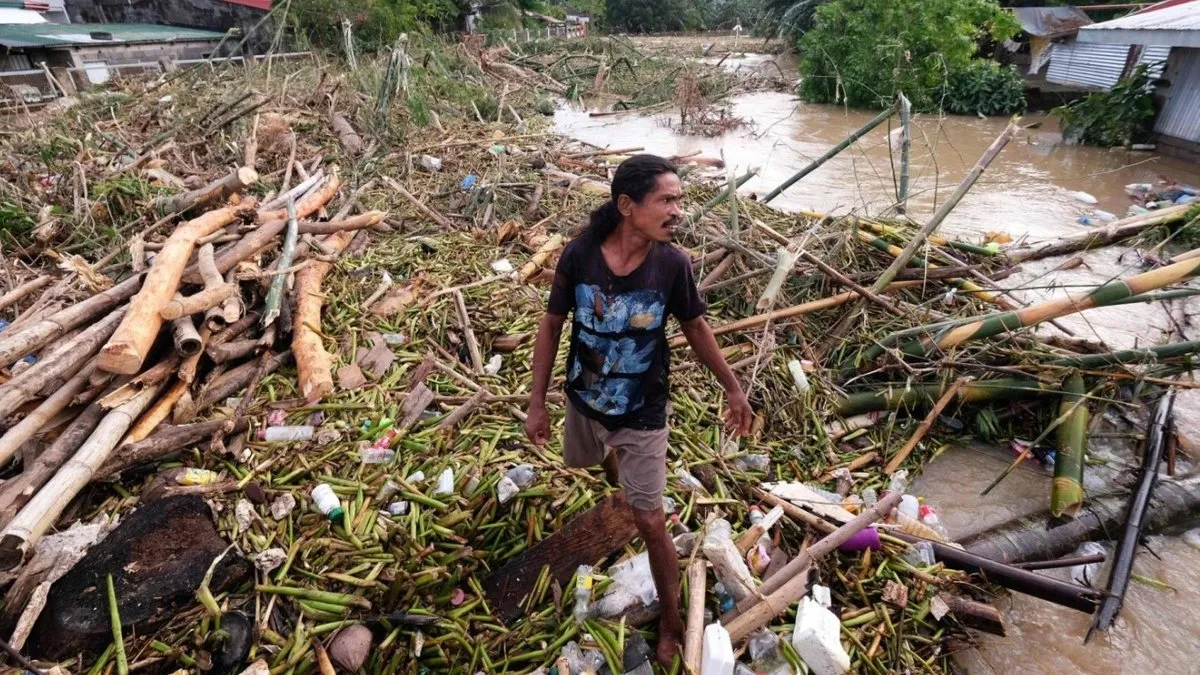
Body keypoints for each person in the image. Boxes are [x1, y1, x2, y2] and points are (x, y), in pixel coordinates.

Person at [525, 154, 754, 665]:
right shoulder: (579, 256)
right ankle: (617, 474)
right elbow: (552, 324)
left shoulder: (672, 265)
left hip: (643, 409)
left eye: (680, 199)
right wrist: (537, 402)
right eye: (666, 200)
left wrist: (734, 389)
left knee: (650, 520)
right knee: (584, 463)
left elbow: (696, 329)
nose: (678, 211)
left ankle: (672, 621)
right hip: (584, 398)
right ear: (627, 206)